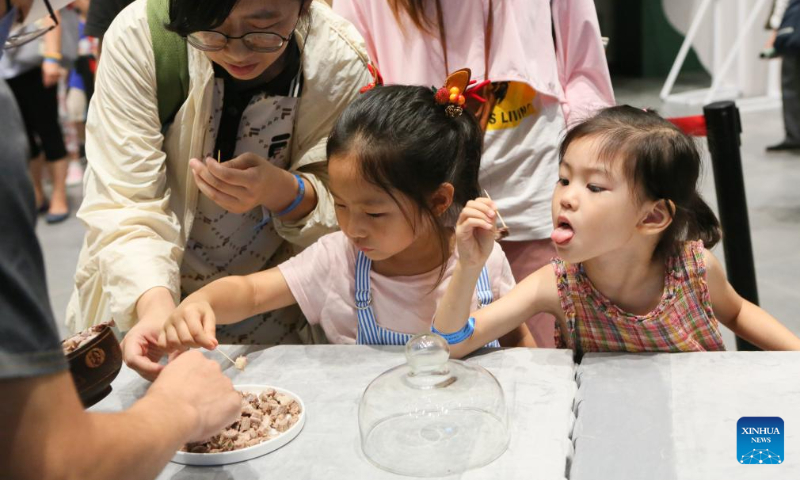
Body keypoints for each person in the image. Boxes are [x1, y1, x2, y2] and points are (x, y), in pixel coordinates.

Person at [66, 0, 371, 379]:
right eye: (211, 29)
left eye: (264, 24)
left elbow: (354, 207)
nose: (238, 50)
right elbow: (126, 200)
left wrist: (283, 191)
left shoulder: (336, 62)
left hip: (276, 307)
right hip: (149, 291)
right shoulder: (142, 40)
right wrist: (155, 308)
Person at [1, 2, 240, 479]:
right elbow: (50, 457)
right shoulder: (137, 38)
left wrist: (296, 194)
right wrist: (179, 407)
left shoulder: (333, 51)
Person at [155, 83, 532, 349]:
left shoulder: (482, 261)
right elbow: (252, 293)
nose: (352, 227)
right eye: (340, 204)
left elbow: (518, 340)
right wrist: (199, 303)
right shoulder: (338, 260)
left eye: (373, 212)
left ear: (437, 201)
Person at [333, 0, 615, 347]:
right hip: (416, 210)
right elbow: (356, 84)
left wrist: (587, 182)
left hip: (532, 190)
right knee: (433, 355)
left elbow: (584, 71)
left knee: (545, 356)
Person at [432, 106, 800, 358]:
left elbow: (736, 314)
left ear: (653, 217)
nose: (566, 198)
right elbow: (451, 344)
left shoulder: (694, 269)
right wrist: (468, 266)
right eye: (563, 179)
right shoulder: (557, 286)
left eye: (594, 187)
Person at [1, 2, 72, 223]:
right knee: (23, 139)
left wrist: (52, 57)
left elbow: (48, 12)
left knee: (48, 130)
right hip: (6, 73)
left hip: (35, 67)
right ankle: (37, 193)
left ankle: (59, 195)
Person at [765, 0, 800, 152]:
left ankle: (794, 137)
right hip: (794, 31)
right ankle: (794, 137)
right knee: (790, 84)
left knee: (790, 84)